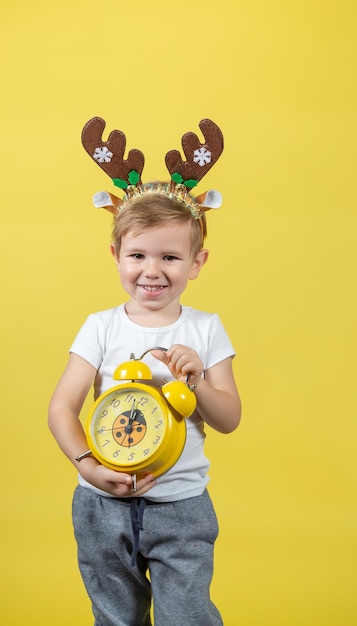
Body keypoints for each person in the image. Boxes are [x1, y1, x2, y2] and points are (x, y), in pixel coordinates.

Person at [48, 117, 241, 626]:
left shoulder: (205, 330)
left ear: (197, 262)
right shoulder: (99, 327)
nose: (152, 270)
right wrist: (87, 465)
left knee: (187, 615)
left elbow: (229, 418)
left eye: (170, 257)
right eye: (137, 254)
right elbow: (63, 407)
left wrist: (196, 383)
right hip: (100, 504)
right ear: (116, 255)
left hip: (179, 508)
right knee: (115, 616)